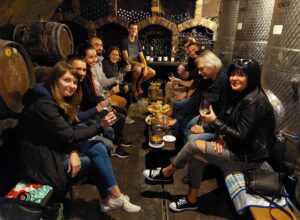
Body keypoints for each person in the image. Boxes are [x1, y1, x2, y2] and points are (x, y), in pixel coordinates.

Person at [143, 58, 276, 212]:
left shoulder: (254, 101)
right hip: (239, 148)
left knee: (193, 145)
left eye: (241, 75)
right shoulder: (241, 94)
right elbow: (236, 128)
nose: (234, 78)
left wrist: (214, 122)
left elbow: (242, 135)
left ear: (251, 77)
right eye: (233, 74)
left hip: (249, 158)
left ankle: (167, 172)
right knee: (196, 153)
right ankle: (191, 200)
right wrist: (222, 138)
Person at [18, 61, 141, 212]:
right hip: (41, 163)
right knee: (93, 156)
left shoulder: (54, 98)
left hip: (55, 148)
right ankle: (112, 198)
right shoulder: (44, 105)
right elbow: (70, 135)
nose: (72, 85)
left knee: (98, 147)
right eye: (67, 80)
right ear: (54, 80)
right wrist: (100, 126)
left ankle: (111, 198)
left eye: (75, 82)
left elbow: (69, 125)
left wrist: (74, 150)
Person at [121, 21, 156, 95]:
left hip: (137, 64)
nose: (134, 30)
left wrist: (145, 67)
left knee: (152, 72)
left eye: (135, 29)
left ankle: (139, 83)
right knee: (138, 68)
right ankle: (133, 86)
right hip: (128, 65)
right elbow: (126, 58)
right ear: (128, 29)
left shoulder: (137, 42)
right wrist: (139, 64)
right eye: (132, 28)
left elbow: (142, 58)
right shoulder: (124, 41)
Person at [102, 46, 135, 124]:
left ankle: (123, 115)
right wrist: (126, 85)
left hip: (115, 86)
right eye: (113, 54)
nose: (115, 57)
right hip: (108, 89)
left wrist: (127, 85)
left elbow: (119, 79)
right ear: (109, 55)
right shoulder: (106, 64)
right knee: (129, 93)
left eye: (117, 55)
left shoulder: (115, 64)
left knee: (130, 90)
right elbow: (114, 80)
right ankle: (122, 116)